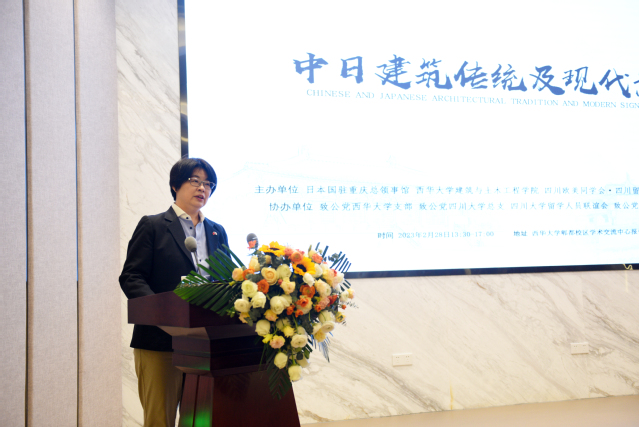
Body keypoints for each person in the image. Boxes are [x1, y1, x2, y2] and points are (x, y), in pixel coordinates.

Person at [120, 157, 229, 427]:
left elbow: (226, 281)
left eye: (208, 184)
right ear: (175, 185)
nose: (202, 188)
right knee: (160, 420)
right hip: (160, 341)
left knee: (199, 421)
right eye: (195, 180)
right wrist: (161, 312)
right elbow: (132, 276)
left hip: (204, 344)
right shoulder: (154, 226)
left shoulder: (217, 232)